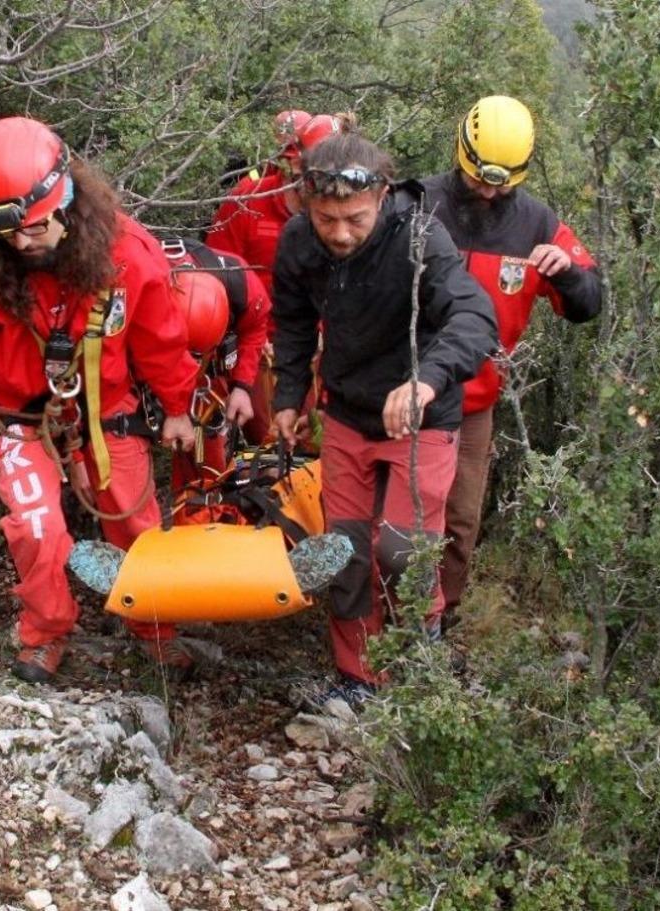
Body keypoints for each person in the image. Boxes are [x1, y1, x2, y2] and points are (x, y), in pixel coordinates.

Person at [0, 116, 200, 682]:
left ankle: (155, 628)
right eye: (10, 235)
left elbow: (162, 340)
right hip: (22, 416)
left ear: (66, 196)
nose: (24, 244)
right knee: (36, 527)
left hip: (107, 413)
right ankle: (45, 631)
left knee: (136, 524)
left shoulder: (128, 255)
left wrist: (179, 407)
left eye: (35, 228)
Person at [271, 132, 499, 705]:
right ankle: (357, 677)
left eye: (354, 218)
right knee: (347, 554)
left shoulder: (420, 237)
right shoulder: (300, 241)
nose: (340, 233)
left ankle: (417, 663)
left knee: (404, 552)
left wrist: (427, 379)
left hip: (421, 418)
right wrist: (289, 397)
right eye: (327, 218)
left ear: (382, 197)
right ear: (306, 205)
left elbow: (475, 315)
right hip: (347, 413)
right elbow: (293, 323)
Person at [420, 96, 602, 623]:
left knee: (459, 519)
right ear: (462, 151)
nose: (489, 190)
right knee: (393, 511)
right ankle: (373, 613)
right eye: (480, 177)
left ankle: (437, 617)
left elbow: (588, 302)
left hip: (474, 402)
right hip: (402, 384)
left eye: (502, 182)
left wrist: (566, 271)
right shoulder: (417, 203)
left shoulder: (538, 224)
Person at [207, 112, 349, 444]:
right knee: (269, 444)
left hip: (313, 352)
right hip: (254, 348)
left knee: (313, 442)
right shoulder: (246, 201)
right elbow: (218, 280)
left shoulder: (340, 221)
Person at [161, 238, 270, 491]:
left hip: (211, 370)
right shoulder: (140, 285)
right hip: (150, 361)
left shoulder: (239, 281)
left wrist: (242, 386)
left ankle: (203, 501)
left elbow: (256, 326)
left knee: (209, 452)